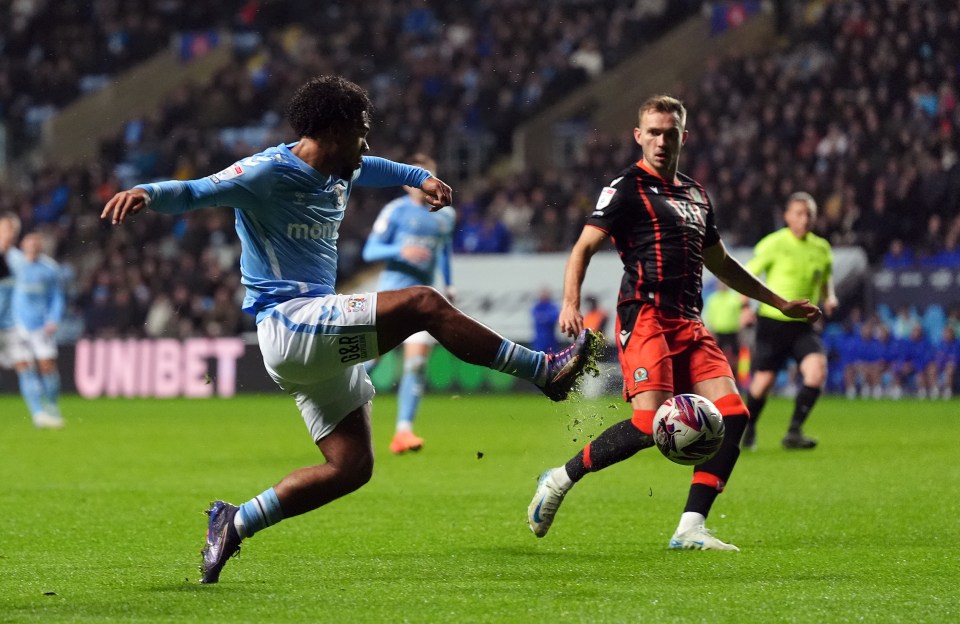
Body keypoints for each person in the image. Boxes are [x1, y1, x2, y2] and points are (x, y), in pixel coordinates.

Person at [100, 75, 597, 584]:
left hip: (316, 331)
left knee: (351, 466)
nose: (367, 140)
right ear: (333, 131)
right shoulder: (269, 171)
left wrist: (418, 176)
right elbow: (198, 191)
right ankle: (542, 371)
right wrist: (147, 191)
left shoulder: (343, 166)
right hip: (290, 322)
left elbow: (379, 167)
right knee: (425, 304)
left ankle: (236, 520)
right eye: (360, 130)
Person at [526, 95, 820, 551]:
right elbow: (583, 248)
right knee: (647, 425)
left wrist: (778, 301)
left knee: (735, 415)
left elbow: (722, 263)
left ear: (683, 136)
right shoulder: (625, 188)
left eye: (670, 133)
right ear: (639, 136)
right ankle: (561, 477)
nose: (661, 141)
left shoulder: (697, 194)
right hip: (645, 317)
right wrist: (571, 302)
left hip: (689, 321)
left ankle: (690, 528)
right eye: (653, 132)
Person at [361, 153, 456, 455]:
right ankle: (335, 411)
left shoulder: (445, 216)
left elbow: (443, 252)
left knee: (416, 364)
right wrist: (401, 250)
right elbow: (370, 251)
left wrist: (449, 284)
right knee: (368, 364)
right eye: (416, 176)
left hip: (423, 299)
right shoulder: (395, 211)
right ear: (405, 183)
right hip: (391, 297)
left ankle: (404, 431)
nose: (423, 182)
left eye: (429, 174)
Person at [740, 192, 838, 450]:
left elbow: (825, 280)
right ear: (787, 216)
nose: (804, 219)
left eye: (809, 214)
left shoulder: (821, 248)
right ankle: (748, 428)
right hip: (773, 322)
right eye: (798, 213)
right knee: (763, 383)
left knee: (817, 371)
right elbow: (747, 275)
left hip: (803, 325)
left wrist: (830, 298)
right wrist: (745, 307)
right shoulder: (773, 243)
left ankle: (794, 431)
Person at [6, 227, 66, 429]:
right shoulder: (14, 265)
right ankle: (37, 413)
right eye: (28, 244)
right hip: (17, 325)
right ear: (22, 246)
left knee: (47, 367)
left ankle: (52, 405)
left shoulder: (50, 269)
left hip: (41, 325)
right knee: (24, 368)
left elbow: (57, 296)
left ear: (40, 247)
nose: (32, 248)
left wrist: (54, 319)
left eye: (36, 244)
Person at [531, 288, 560, 353]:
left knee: (552, 360)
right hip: (539, 341)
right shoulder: (537, 306)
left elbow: (554, 317)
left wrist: (544, 318)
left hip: (551, 340)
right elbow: (535, 315)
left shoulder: (552, 306)